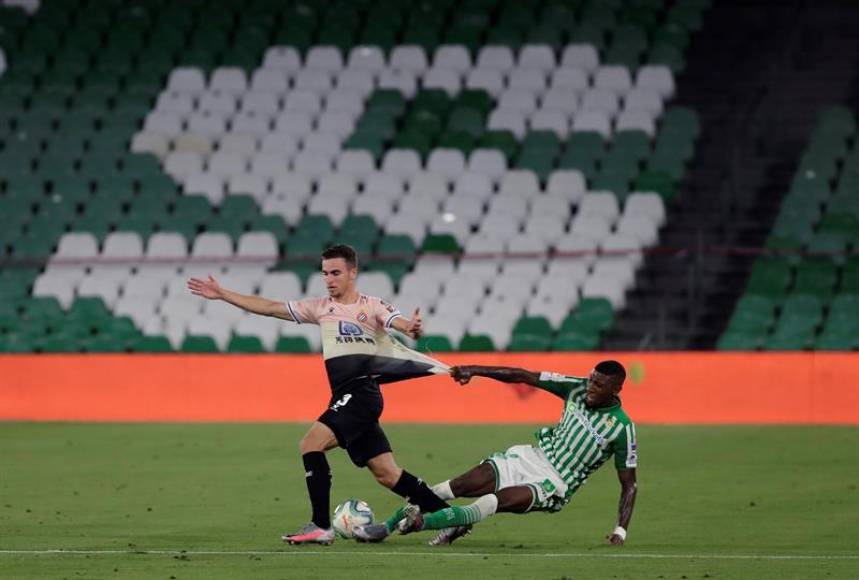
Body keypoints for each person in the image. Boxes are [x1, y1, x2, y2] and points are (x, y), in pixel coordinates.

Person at [187, 244, 453, 545]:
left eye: (335, 273)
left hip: (361, 393)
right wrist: (223, 294)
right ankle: (451, 518)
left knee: (311, 444)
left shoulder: (372, 305)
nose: (329, 279)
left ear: (352, 273)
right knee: (387, 474)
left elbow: (400, 324)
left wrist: (411, 327)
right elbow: (271, 307)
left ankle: (321, 525)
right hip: (345, 396)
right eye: (325, 273)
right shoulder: (320, 307)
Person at [354, 360, 638, 546]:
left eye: (598, 385)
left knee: (491, 502)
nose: (590, 388)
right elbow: (522, 375)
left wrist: (620, 531)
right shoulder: (575, 387)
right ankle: (387, 526)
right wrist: (475, 369)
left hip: (554, 483)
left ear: (616, 389)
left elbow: (629, 484)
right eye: (591, 380)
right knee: (454, 486)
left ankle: (423, 523)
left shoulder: (622, 429)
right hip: (530, 458)